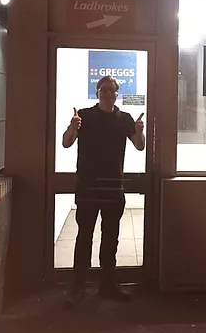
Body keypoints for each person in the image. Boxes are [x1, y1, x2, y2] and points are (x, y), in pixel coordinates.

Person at [62, 75, 145, 307]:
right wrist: (72, 127)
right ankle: (78, 287)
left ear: (117, 94)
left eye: (112, 90)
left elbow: (140, 145)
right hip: (88, 188)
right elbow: (66, 143)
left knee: (111, 240)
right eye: (104, 90)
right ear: (97, 92)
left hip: (113, 188)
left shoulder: (125, 119)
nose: (109, 94)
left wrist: (139, 130)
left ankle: (108, 285)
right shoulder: (85, 117)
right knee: (84, 237)